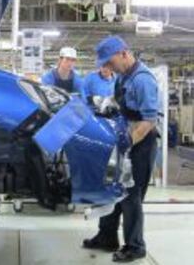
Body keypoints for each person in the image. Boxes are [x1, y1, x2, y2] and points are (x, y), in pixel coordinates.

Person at [82, 35, 158, 263]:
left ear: (124, 53)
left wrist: (127, 144)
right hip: (123, 140)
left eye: (109, 61)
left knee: (130, 197)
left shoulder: (143, 80)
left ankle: (135, 246)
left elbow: (149, 121)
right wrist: (104, 105)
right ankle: (107, 237)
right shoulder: (123, 77)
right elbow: (119, 103)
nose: (107, 67)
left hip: (140, 144)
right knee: (112, 189)